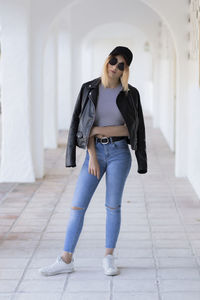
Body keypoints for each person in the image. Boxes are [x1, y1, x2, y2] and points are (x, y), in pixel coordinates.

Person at [39, 46, 147, 277]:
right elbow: (81, 126)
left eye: (122, 65)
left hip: (119, 153)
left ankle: (108, 257)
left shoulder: (130, 94)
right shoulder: (89, 88)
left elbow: (131, 129)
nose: (115, 67)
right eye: (113, 61)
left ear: (126, 69)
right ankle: (66, 259)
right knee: (78, 206)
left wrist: (98, 128)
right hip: (94, 153)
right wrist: (93, 156)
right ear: (107, 60)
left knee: (112, 206)